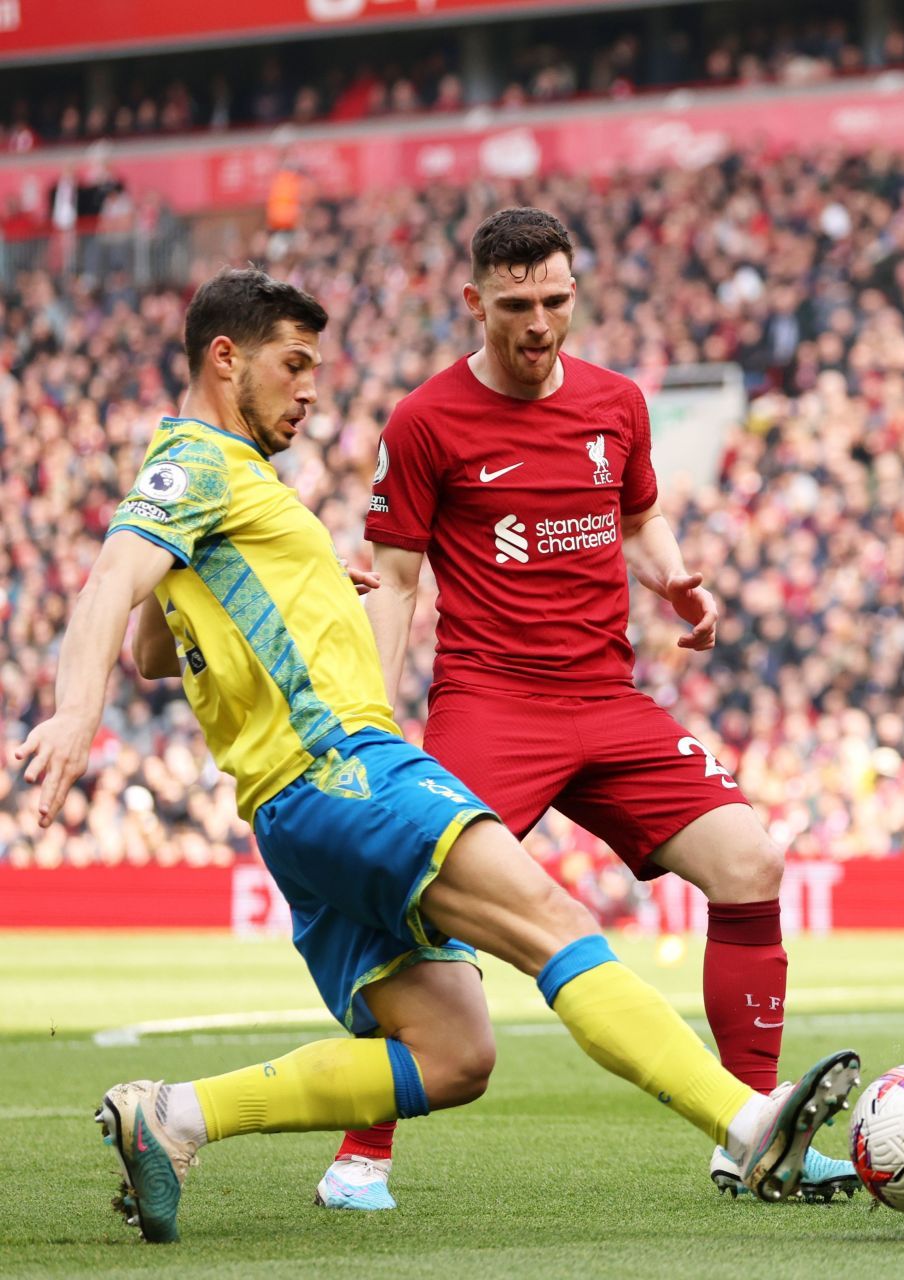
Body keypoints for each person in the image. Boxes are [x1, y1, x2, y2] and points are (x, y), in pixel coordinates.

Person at [13, 268, 858, 1245]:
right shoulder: (198, 462)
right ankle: (752, 1125)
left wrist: (310, 585)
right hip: (342, 765)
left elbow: (158, 641)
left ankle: (175, 1116)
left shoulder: (233, 491)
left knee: (455, 1049)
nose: (311, 390)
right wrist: (77, 710)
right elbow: (117, 570)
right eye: (294, 366)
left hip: (290, 811)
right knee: (552, 918)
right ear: (224, 357)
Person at [314, 206, 856, 1210]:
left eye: (555, 301)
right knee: (413, 894)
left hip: (608, 698)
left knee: (751, 862)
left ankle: (749, 1128)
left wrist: (680, 581)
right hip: (492, 701)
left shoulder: (617, 403)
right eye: (515, 305)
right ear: (474, 301)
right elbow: (392, 580)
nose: (537, 325)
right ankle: (360, 1152)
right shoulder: (425, 420)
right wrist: (369, 717)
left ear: (576, 293)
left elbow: (638, 519)